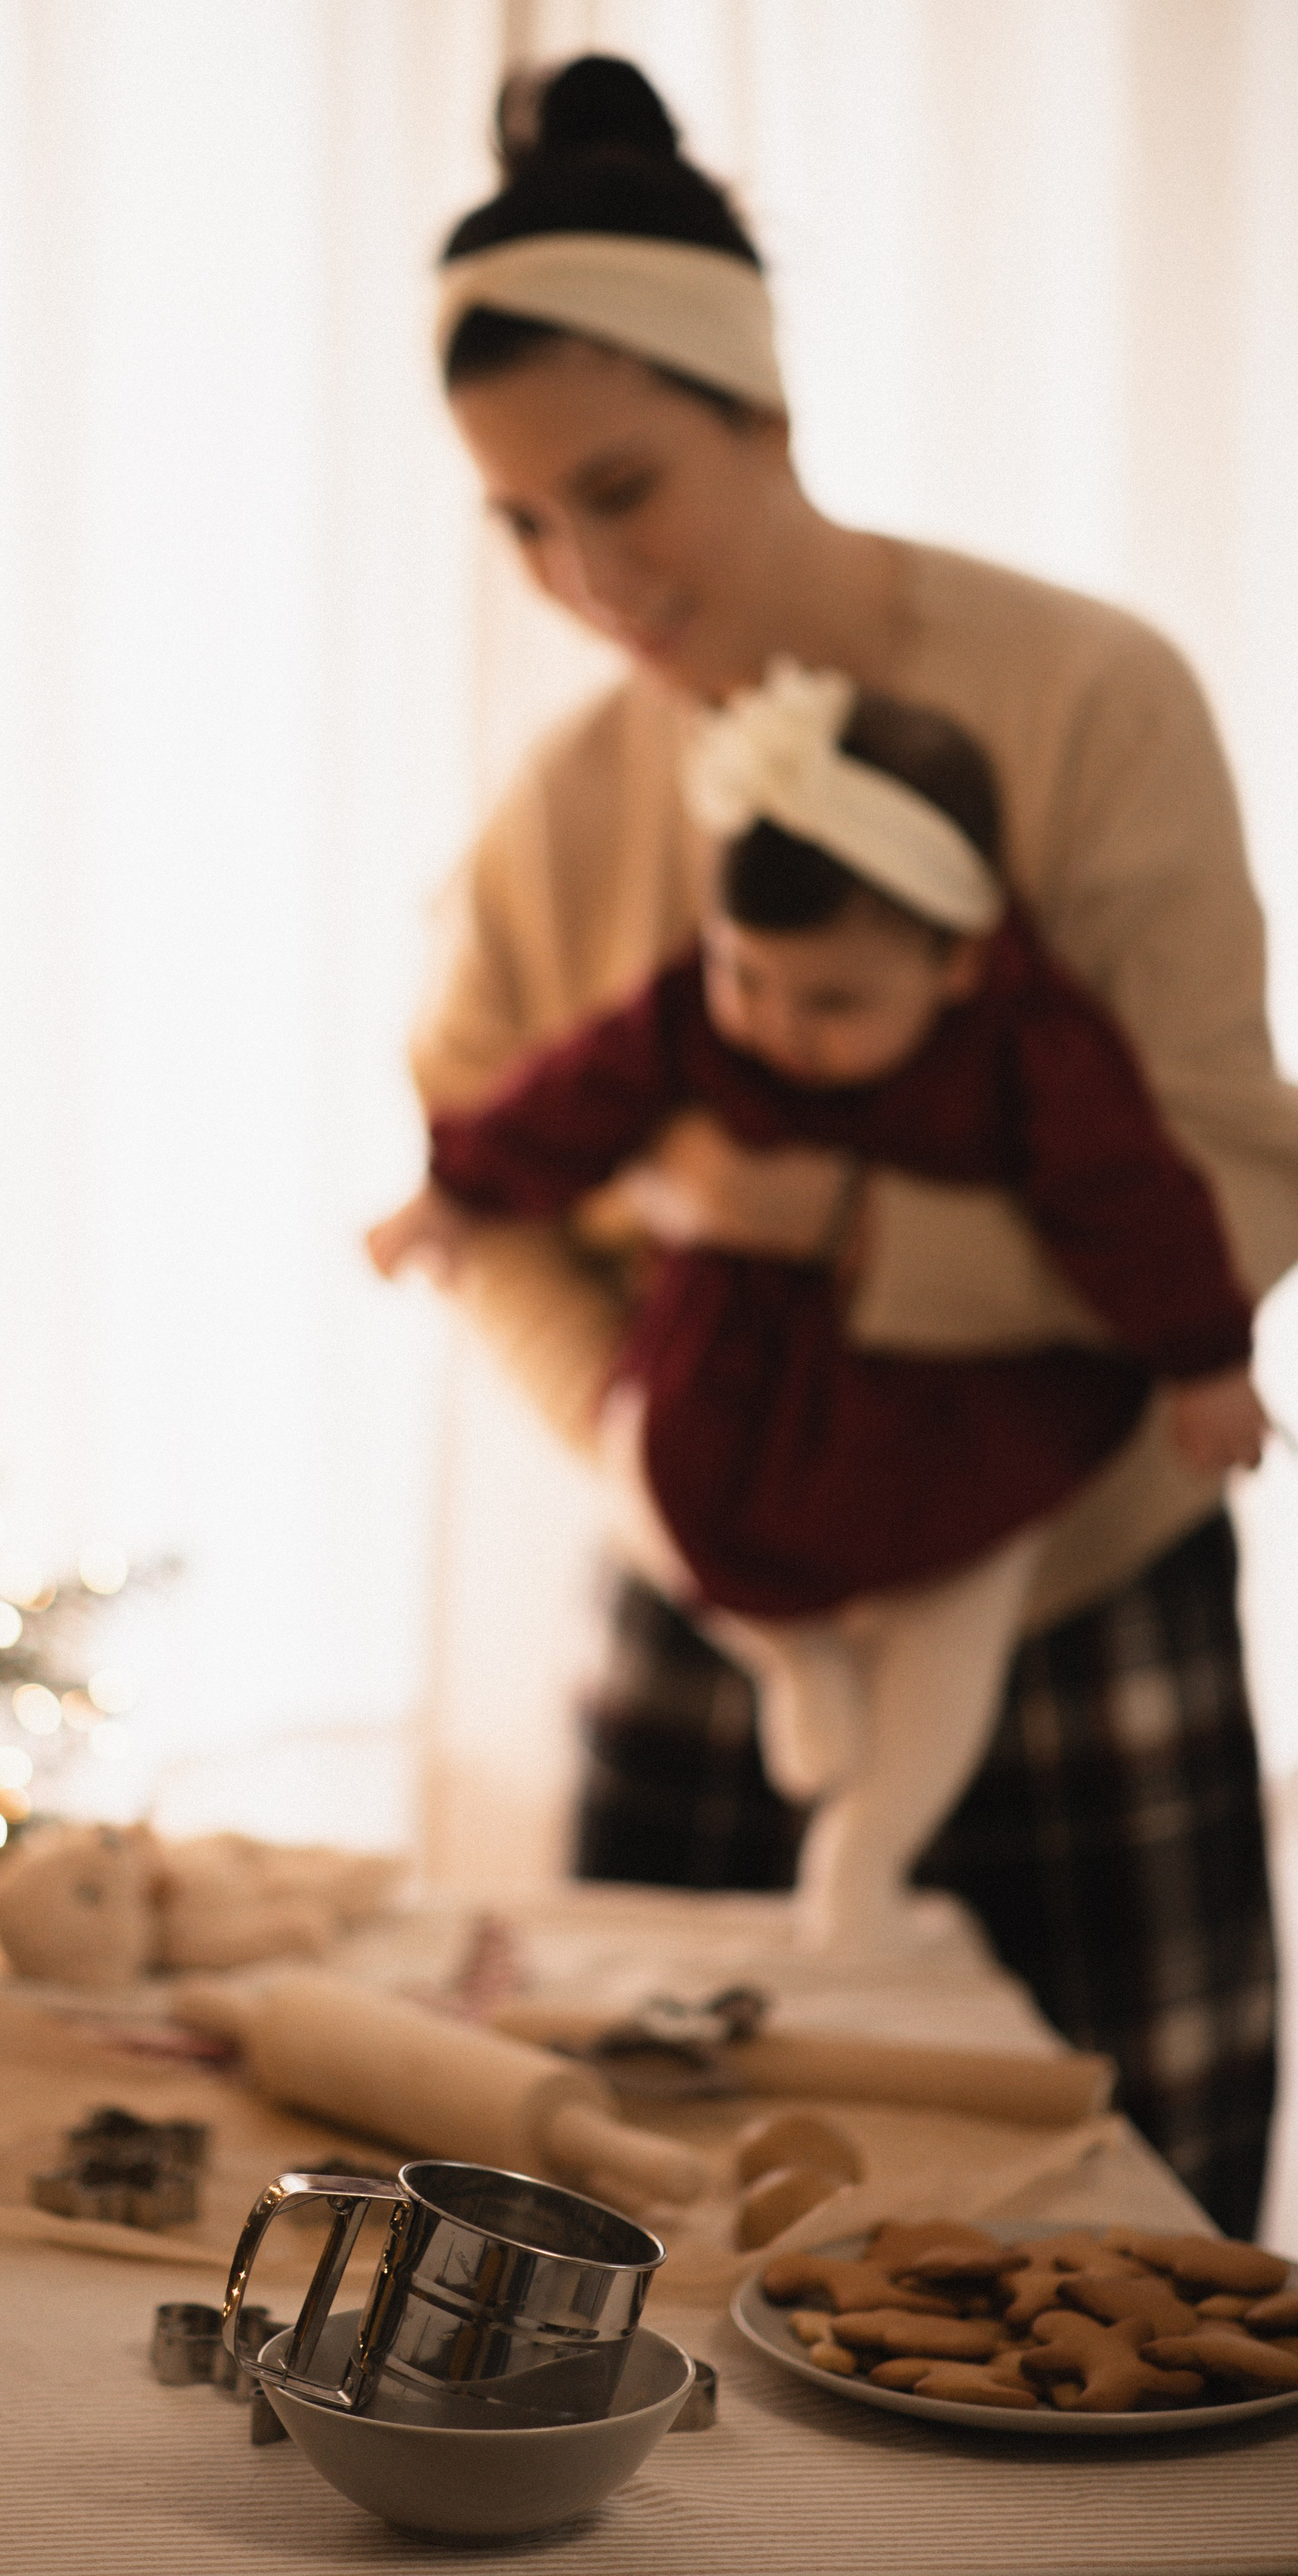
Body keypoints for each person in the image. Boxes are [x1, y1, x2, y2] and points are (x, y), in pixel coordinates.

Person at [410, 53, 1298, 2233]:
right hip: (711, 1615)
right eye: (523, 518)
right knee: (644, 2239)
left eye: (624, 485)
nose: (584, 568)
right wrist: (634, 1446)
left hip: (1072, 1593)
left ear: (767, 413)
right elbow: (482, 1196)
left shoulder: (1090, 700)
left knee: (1133, 2268)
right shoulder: (557, 824)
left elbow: (1234, 1172)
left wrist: (826, 1221)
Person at [374, 662, 1261, 1949]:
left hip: (960, 1394)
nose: (776, 1028)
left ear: (959, 958)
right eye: (748, 979)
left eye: (835, 1003)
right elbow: (577, 1092)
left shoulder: (1035, 1045)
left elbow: (1134, 1201)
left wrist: (1205, 1363)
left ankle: (870, 1850)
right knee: (644, 1471)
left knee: (960, 1610)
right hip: (746, 1357)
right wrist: (455, 1189)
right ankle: (792, 1653)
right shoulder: (702, 1007)